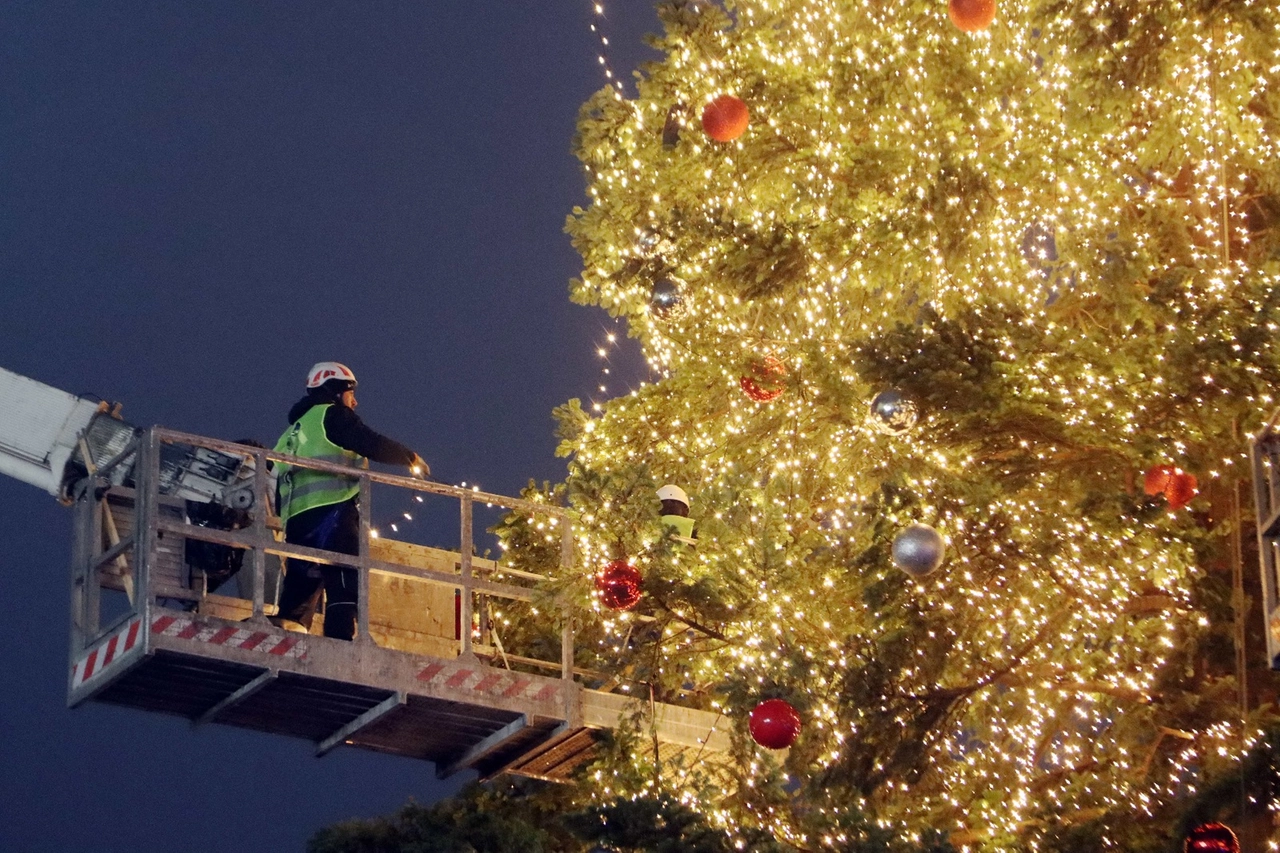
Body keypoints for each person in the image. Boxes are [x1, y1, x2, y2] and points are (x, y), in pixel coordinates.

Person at [273, 361, 428, 640]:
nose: (354, 402)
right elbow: (367, 440)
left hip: (296, 523)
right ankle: (339, 641)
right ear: (334, 391)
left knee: (302, 582)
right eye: (350, 393)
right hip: (332, 513)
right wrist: (409, 457)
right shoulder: (331, 415)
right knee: (343, 577)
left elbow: (273, 476)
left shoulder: (291, 432)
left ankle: (287, 632)